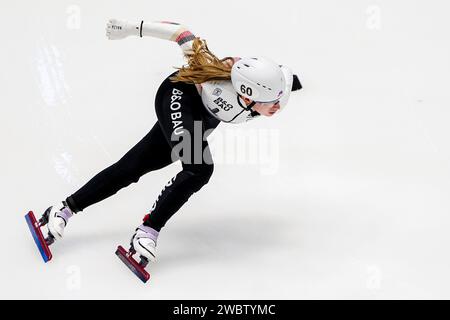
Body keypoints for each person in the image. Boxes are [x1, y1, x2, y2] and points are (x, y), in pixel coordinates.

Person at [44, 19, 302, 264]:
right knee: (200, 168)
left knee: (132, 167)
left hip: (200, 120)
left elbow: (285, 80)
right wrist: (131, 28)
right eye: (273, 102)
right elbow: (181, 33)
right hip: (178, 96)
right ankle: (148, 232)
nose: (278, 108)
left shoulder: (269, 87)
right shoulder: (214, 80)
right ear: (248, 94)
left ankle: (62, 209)